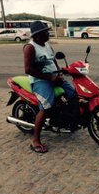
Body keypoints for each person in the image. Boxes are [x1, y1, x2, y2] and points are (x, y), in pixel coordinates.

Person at [23, 21, 76, 153]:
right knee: (47, 105)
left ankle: (66, 121)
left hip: (53, 77)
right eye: (45, 32)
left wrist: (58, 73)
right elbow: (28, 69)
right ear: (37, 35)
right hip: (39, 80)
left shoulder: (47, 45)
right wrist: (50, 77)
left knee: (72, 94)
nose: (48, 34)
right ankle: (35, 140)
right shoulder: (30, 47)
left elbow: (53, 60)